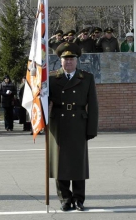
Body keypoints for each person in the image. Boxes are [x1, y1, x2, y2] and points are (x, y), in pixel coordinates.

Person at [49, 42, 98, 211]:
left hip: (78, 122)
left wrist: (91, 129)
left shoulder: (87, 78)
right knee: (60, 163)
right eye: (65, 59)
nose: (68, 62)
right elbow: (39, 101)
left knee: (78, 163)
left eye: (71, 59)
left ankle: (78, 198)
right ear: (60, 61)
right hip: (59, 123)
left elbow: (93, 105)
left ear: (77, 61)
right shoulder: (51, 79)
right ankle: (65, 198)